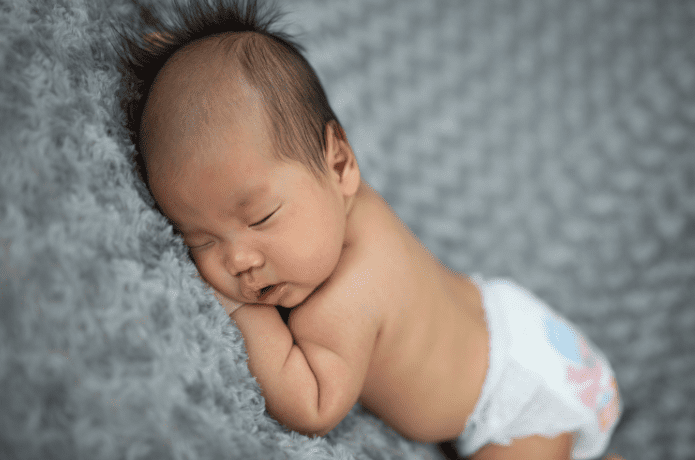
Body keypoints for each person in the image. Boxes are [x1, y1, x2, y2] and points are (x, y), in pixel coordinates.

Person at [115, 1, 622, 458]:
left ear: (340, 165)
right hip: (512, 322)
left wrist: (242, 312)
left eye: (261, 217)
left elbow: (313, 406)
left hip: (512, 402)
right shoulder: (342, 203)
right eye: (200, 240)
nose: (237, 259)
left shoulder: (343, 303)